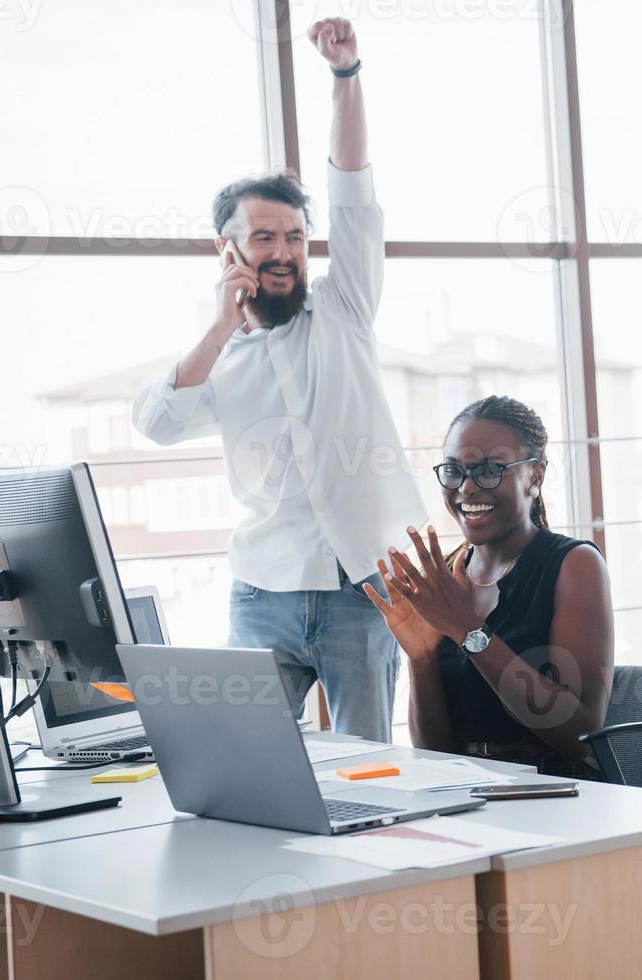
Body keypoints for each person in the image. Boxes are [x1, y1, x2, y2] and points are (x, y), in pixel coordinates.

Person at [131, 18, 421, 740]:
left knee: (370, 768)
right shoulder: (220, 358)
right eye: (264, 238)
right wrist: (220, 325)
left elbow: (354, 193)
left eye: (294, 236)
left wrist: (345, 77)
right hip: (262, 591)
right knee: (246, 755)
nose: (284, 252)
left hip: (364, 590)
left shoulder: (344, 311)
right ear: (226, 248)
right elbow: (157, 423)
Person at [361, 396, 615, 778]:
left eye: (490, 470)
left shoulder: (574, 564)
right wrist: (422, 660)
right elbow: (435, 751)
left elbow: (578, 737)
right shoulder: (445, 576)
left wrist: (469, 631)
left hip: (556, 791)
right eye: (454, 470)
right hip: (465, 787)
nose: (467, 488)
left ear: (535, 475)